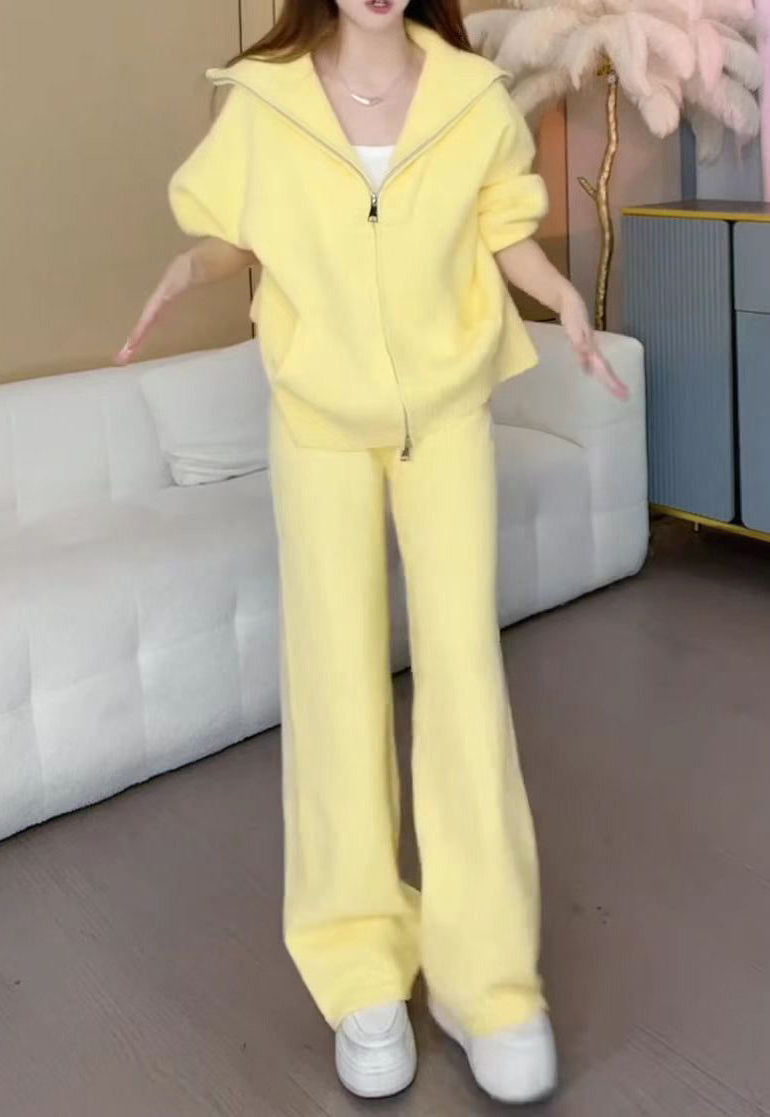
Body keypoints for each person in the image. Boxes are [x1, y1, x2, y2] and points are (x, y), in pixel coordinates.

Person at [116, 0, 628, 1104]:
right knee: (335, 683)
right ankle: (359, 972)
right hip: (317, 421)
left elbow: (500, 231)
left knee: (464, 678)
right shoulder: (266, 98)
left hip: (444, 413)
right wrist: (190, 269)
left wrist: (561, 303)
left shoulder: (468, 95)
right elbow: (240, 230)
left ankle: (486, 983)